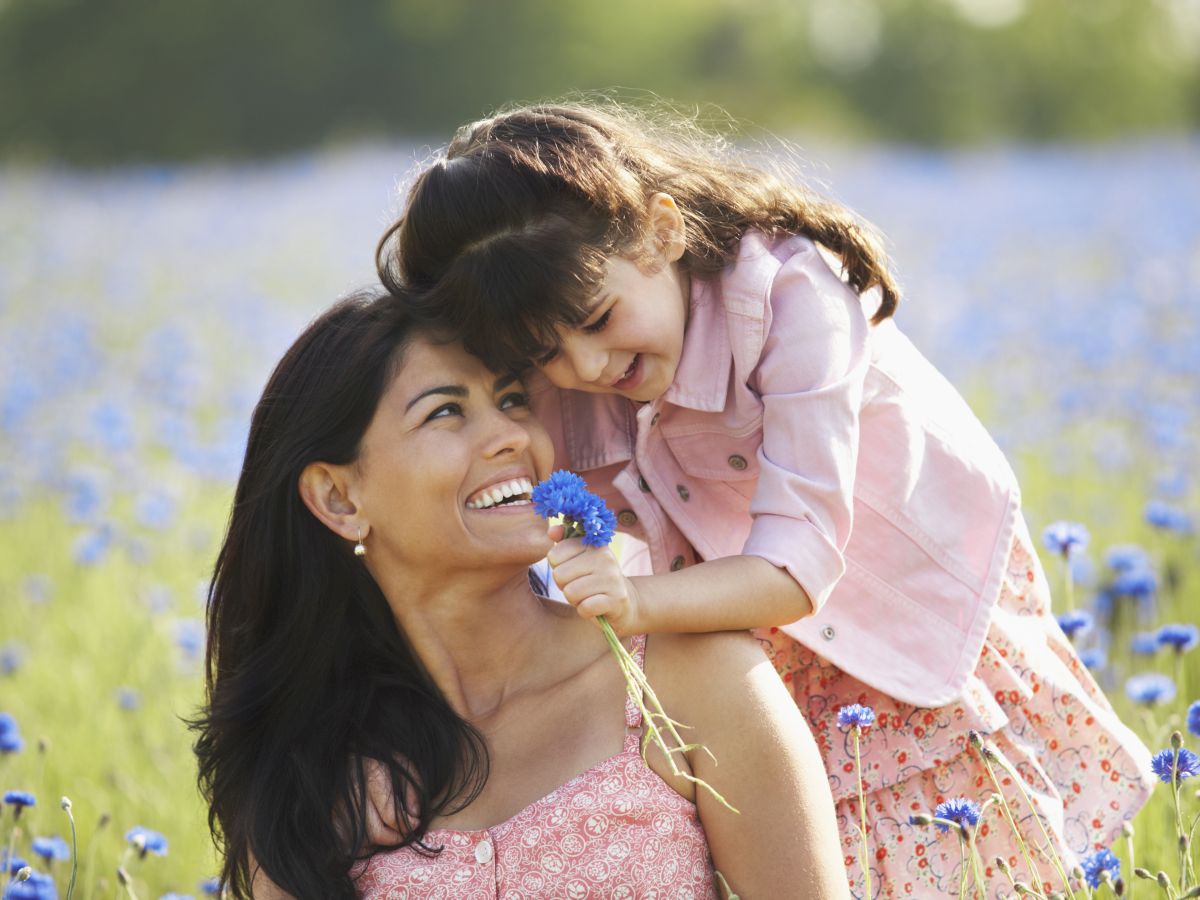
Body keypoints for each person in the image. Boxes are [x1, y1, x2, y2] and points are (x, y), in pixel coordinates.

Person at [374, 102, 1155, 896]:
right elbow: (534, 494)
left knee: (938, 857)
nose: (587, 365)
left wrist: (632, 600)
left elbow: (799, 565)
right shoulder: (575, 356)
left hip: (893, 615)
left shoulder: (791, 295)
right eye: (544, 352)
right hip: (755, 637)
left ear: (659, 231)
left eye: (599, 320)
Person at [191, 289, 849, 899]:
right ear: (339, 498)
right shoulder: (307, 771)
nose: (511, 435)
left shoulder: (693, 681)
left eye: (512, 400)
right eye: (446, 412)